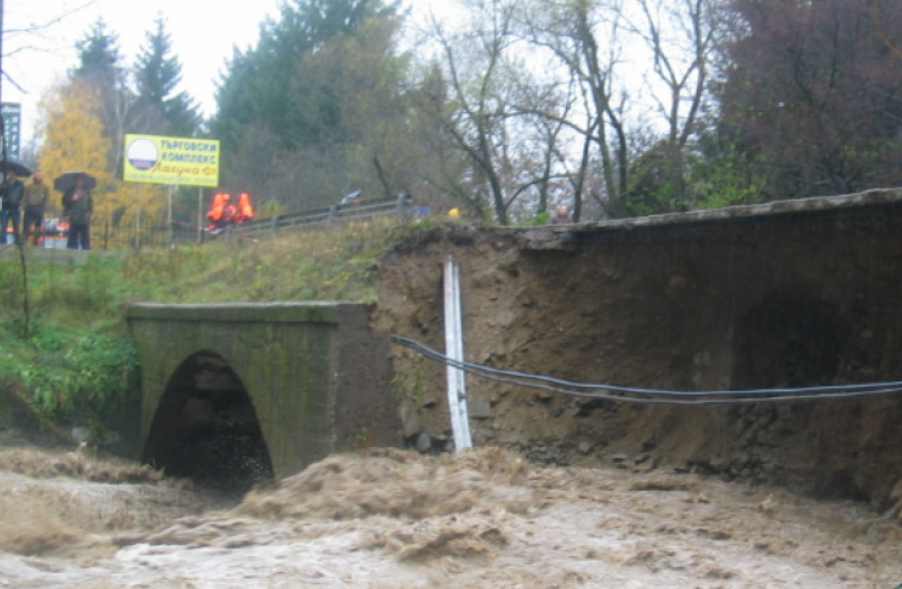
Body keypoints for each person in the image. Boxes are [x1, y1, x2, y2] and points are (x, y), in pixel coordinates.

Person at [62, 175, 93, 249]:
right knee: (73, 235)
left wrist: (89, 213)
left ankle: (86, 249)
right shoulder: (70, 192)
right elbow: (64, 202)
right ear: (75, 182)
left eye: (81, 181)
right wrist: (72, 199)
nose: (80, 183)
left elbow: (90, 204)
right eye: (79, 181)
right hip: (74, 217)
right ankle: (72, 249)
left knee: (85, 236)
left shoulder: (87, 192)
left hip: (84, 218)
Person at [23, 171, 50, 246]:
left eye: (39, 175)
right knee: (26, 225)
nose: (38, 177)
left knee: (37, 226)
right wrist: (23, 205)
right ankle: (25, 239)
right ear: (34, 176)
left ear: (42, 177)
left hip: (39, 208)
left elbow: (47, 198)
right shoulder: (29, 186)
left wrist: (44, 207)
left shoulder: (45, 187)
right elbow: (25, 197)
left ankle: (35, 240)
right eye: (37, 175)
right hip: (29, 207)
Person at [0, 171, 25, 244]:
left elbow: (23, 195)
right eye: (10, 174)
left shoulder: (20, 184)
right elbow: (1, 194)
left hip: (16, 206)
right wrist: (3, 187)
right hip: (5, 206)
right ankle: (2, 241)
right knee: (4, 225)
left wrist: (21, 204)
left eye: (12, 173)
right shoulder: (4, 183)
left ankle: (16, 240)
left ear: (15, 175)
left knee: (16, 225)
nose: (11, 175)